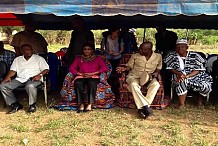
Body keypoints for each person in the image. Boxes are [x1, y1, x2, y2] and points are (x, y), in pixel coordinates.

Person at [116, 41, 162, 119]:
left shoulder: (158, 56)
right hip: (134, 76)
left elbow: (159, 68)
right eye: (140, 49)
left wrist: (156, 73)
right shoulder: (135, 55)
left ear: (149, 50)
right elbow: (129, 66)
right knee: (133, 85)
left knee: (156, 84)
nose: (140, 51)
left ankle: (142, 108)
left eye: (143, 49)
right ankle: (146, 108)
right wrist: (124, 68)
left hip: (149, 77)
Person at [0, 44, 49, 114]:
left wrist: (40, 75)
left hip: (34, 78)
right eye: (26, 50)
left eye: (29, 49)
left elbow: (46, 69)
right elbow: (13, 70)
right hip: (20, 79)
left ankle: (32, 105)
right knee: (3, 86)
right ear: (22, 51)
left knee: (30, 86)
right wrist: (8, 76)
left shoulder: (39, 59)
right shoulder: (18, 59)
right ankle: (15, 104)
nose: (28, 51)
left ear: (32, 50)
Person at [164, 39, 212, 109]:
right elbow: (170, 68)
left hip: (195, 75)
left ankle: (200, 101)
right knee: (181, 81)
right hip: (178, 75)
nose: (180, 49)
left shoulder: (195, 55)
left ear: (187, 47)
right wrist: (180, 74)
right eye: (178, 47)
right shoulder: (171, 56)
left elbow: (198, 69)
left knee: (206, 84)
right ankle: (181, 104)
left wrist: (187, 76)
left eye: (182, 47)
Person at [69, 42, 108, 113]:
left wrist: (93, 73)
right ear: (82, 50)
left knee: (92, 83)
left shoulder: (97, 58)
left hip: (93, 76)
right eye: (85, 49)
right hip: (81, 76)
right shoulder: (78, 58)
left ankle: (90, 104)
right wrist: (80, 73)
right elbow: (72, 68)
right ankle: (81, 104)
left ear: (92, 50)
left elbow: (104, 68)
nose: (87, 51)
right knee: (78, 83)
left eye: (89, 49)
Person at [155, 25, 178, 98]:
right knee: (162, 72)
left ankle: (168, 90)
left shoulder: (172, 35)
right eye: (157, 28)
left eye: (159, 27)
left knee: (169, 72)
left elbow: (174, 46)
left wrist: (168, 53)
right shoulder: (157, 35)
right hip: (161, 55)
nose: (158, 29)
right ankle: (162, 88)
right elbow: (158, 45)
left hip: (170, 56)